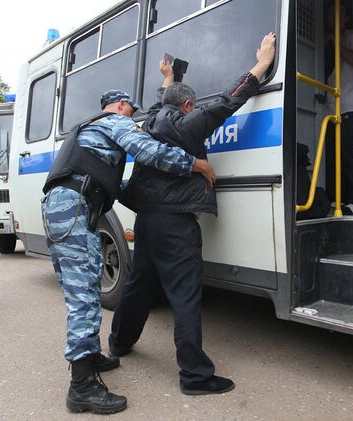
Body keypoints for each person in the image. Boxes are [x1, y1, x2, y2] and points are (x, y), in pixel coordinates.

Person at [110, 33, 276, 395]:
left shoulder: (150, 122)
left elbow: (160, 101)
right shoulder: (190, 125)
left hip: (147, 220)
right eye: (192, 105)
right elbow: (228, 101)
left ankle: (119, 342)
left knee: (139, 286)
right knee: (184, 295)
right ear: (188, 107)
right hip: (176, 222)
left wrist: (168, 77)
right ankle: (195, 376)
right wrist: (262, 65)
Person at [41, 89, 216, 415]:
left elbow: (114, 185)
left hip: (70, 207)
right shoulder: (113, 122)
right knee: (83, 297)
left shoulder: (90, 128)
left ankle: (91, 356)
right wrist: (195, 164)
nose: (134, 118)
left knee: (85, 287)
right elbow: (148, 150)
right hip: (74, 208)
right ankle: (82, 387)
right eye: (131, 112)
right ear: (122, 106)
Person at [324, 0, 353, 215]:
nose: (336, 16)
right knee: (333, 156)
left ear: (346, 16)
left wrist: (337, 46)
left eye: (339, 12)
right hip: (331, 108)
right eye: (332, 13)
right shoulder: (328, 42)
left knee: (350, 153)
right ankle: (337, 199)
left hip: (352, 104)